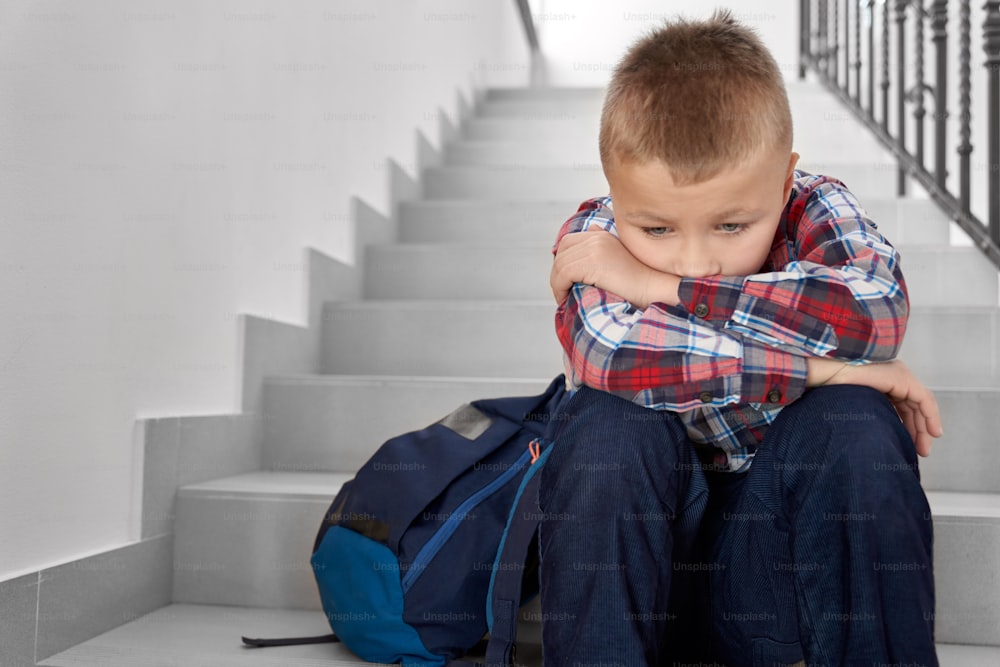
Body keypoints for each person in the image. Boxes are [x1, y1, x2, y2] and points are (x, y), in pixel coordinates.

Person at [540, 10, 943, 667]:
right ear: (616, 193)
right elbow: (606, 352)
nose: (698, 261)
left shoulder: (814, 206)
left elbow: (873, 312)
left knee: (857, 422)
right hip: (627, 583)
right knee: (605, 423)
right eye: (657, 231)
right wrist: (825, 369)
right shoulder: (595, 232)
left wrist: (658, 286)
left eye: (731, 225)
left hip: (772, 575)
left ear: (784, 181)